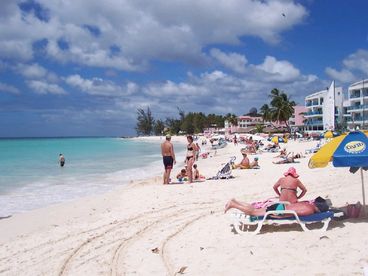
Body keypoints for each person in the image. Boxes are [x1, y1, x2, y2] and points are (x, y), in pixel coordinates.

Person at [224, 198, 317, 217]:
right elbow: (293, 214)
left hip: (280, 205)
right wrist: (279, 216)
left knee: (255, 209)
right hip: (280, 210)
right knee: (253, 213)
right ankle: (234, 205)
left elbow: (293, 206)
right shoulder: (310, 210)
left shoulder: (307, 204)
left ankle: (236, 201)